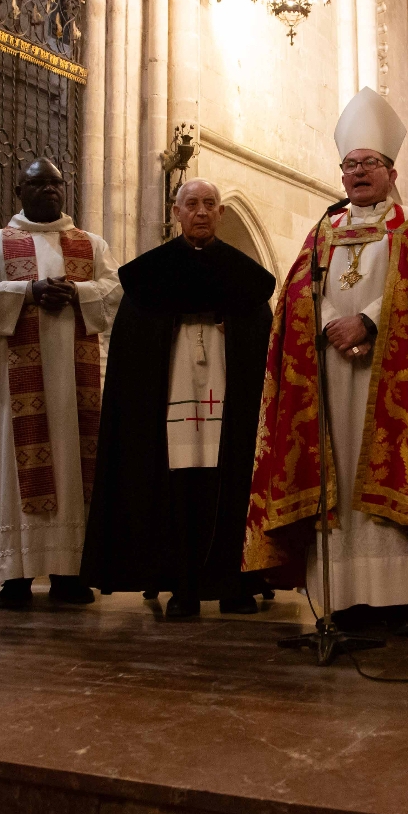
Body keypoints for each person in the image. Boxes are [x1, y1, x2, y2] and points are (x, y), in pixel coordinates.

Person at [244, 87, 408, 637]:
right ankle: (341, 599)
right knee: (335, 486)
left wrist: (365, 320)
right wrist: (328, 326)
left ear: (392, 172)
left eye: (369, 163)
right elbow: (296, 293)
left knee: (393, 475)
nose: (359, 172)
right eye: (350, 165)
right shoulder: (324, 230)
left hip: (395, 378)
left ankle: (397, 601)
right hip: (328, 377)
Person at [81, 179, 276, 618]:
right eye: (192, 204)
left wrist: (233, 329)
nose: (201, 212)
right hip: (171, 392)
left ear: (220, 213)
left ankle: (234, 584)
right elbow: (134, 349)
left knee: (234, 481)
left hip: (228, 395)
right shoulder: (149, 275)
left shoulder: (245, 276)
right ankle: (181, 587)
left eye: (209, 204)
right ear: (177, 212)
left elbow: (261, 341)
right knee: (177, 486)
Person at [0, 159, 121, 608]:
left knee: (72, 467)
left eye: (55, 182)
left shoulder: (90, 244)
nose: (49, 189)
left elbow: (115, 290)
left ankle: (70, 574)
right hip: (12, 391)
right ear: (20, 191)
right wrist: (29, 292)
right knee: (14, 471)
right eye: (38, 183)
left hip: (74, 388)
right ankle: (15, 577)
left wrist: (77, 292)